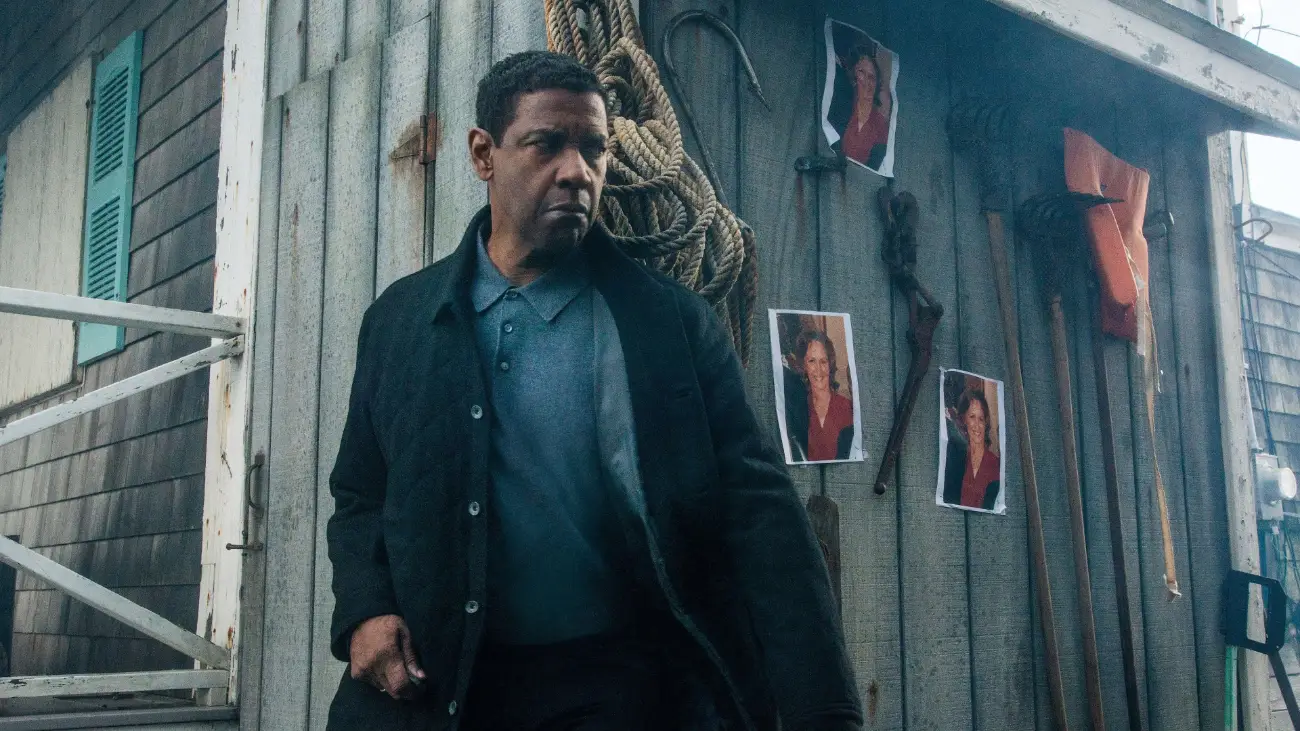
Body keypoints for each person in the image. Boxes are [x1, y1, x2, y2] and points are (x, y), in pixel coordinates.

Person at [325, 50, 862, 731]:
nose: (577, 171)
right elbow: (360, 494)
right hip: (442, 684)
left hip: (617, 689)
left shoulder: (670, 323)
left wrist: (823, 709)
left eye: (593, 149)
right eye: (547, 144)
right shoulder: (400, 320)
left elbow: (760, 512)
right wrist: (366, 609)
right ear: (484, 154)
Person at [786, 331, 854, 462]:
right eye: (812, 361)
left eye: (823, 361)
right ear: (803, 366)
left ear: (830, 364)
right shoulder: (795, 410)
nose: (818, 369)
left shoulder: (848, 408)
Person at [830, 37, 891, 169]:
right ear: (853, 76)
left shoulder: (880, 125)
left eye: (872, 77)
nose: (867, 82)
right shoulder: (840, 107)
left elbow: (875, 165)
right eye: (861, 72)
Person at [942, 389, 1001, 511]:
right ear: (963, 420)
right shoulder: (956, 460)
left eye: (981, 418)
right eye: (972, 417)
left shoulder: (996, 463)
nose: (977, 425)